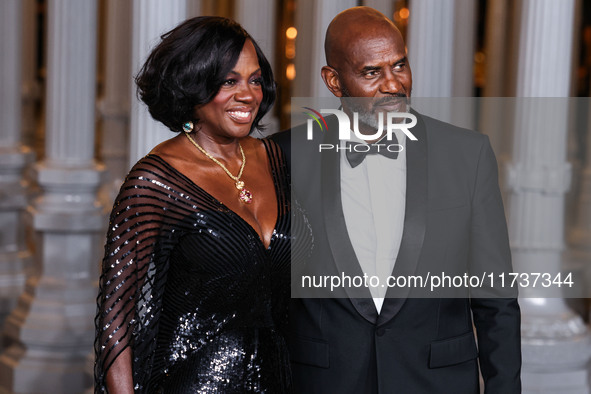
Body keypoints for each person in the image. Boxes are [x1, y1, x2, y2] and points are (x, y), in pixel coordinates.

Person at [271, 6, 521, 393]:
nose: (393, 84)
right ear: (334, 81)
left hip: (438, 381)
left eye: (400, 65)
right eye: (372, 72)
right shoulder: (283, 156)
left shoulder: (466, 154)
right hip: (324, 381)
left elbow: (496, 299)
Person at [94, 16, 311, 393]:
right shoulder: (154, 182)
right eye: (229, 81)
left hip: (283, 379)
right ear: (192, 86)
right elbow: (116, 325)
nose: (248, 95)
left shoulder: (276, 159)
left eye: (255, 79)